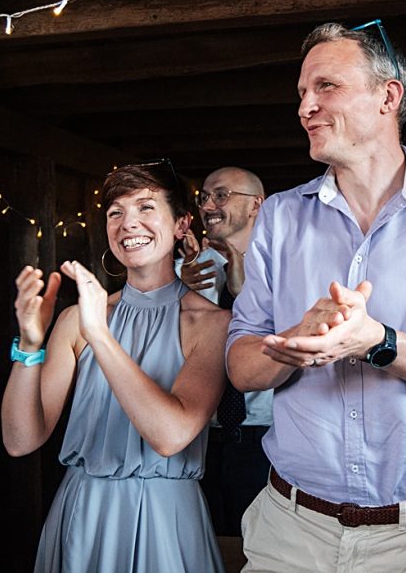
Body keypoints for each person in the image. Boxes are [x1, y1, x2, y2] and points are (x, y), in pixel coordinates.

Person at [227, 21, 406, 572]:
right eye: (302, 94)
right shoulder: (280, 216)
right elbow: (241, 367)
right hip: (290, 528)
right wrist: (292, 343)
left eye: (326, 87)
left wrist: (377, 342)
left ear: (389, 96)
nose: (306, 106)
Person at [1, 161, 228, 572]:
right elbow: (21, 439)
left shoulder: (212, 324)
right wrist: (29, 347)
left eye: (145, 207)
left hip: (166, 517)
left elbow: (170, 435)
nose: (128, 223)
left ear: (181, 224)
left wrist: (101, 335)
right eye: (115, 212)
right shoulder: (77, 320)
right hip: (82, 512)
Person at [179, 166, 271, 537]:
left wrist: (240, 289)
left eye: (221, 195)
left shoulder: (284, 266)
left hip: (264, 435)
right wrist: (173, 292)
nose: (208, 205)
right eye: (203, 196)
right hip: (196, 433)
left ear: (256, 206)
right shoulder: (188, 270)